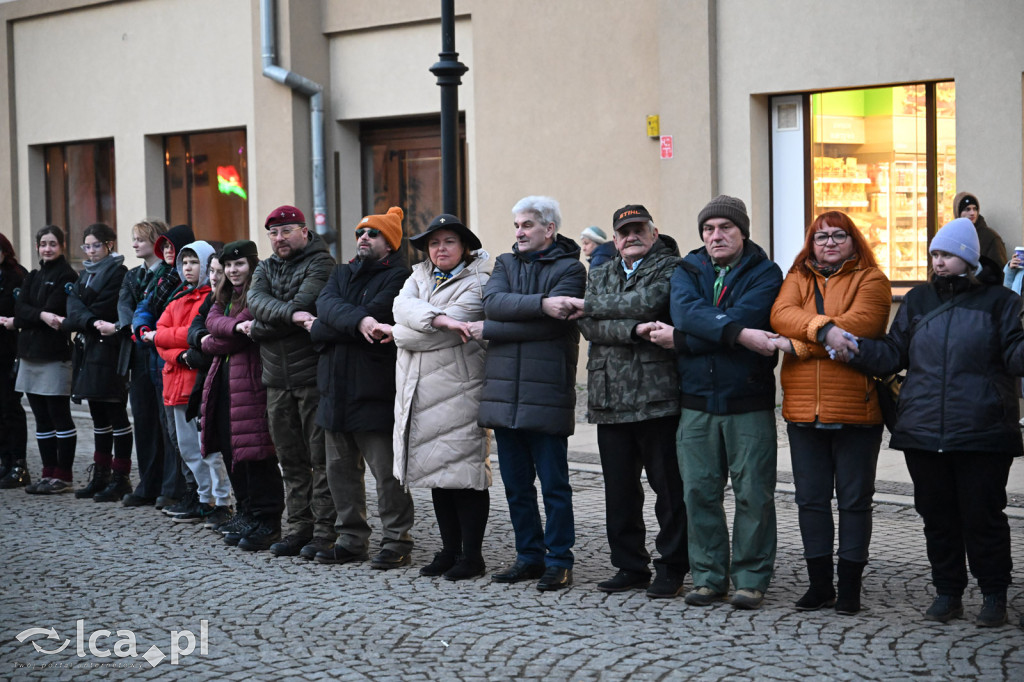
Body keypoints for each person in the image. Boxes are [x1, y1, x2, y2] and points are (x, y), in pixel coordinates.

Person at [840, 217, 1024, 628]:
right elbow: (893, 354)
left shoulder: (1001, 302)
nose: (938, 262)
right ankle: (948, 592)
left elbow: (1015, 357)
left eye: (948, 255)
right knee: (937, 517)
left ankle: (994, 594)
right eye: (935, 255)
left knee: (983, 518)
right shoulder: (919, 301)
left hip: (982, 431)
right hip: (923, 431)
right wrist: (853, 348)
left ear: (969, 259)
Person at [641, 195, 783, 610]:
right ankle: (706, 577)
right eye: (708, 229)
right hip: (697, 403)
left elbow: (751, 314)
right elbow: (686, 313)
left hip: (748, 402)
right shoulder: (687, 268)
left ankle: (751, 579)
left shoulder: (766, 273)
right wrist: (739, 335)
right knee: (699, 493)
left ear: (743, 232)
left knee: (753, 495)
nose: (716, 236)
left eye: (725, 228)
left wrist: (683, 340)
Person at [769, 211, 891, 615]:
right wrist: (824, 331)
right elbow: (780, 316)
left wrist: (800, 343)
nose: (830, 243)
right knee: (811, 501)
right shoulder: (797, 277)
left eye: (839, 236)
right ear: (811, 242)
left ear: (854, 241)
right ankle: (820, 585)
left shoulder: (872, 279)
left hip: (857, 409)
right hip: (803, 410)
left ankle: (851, 589)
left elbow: (864, 328)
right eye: (821, 237)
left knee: (855, 501)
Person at [573, 205, 689, 598]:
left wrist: (593, 308)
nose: (630, 237)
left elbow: (649, 303)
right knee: (619, 490)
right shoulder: (601, 271)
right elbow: (588, 326)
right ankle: (629, 565)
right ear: (615, 239)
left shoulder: (671, 267)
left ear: (654, 234)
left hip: (658, 396)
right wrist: (635, 329)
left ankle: (672, 566)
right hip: (609, 397)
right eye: (623, 232)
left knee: (668, 490)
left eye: (638, 230)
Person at [476, 195, 586, 591]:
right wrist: (542, 303)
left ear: (549, 229)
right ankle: (528, 556)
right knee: (517, 485)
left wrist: (494, 329)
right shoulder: (505, 264)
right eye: (517, 226)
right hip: (505, 395)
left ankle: (559, 559)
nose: (518, 232)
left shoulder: (572, 269)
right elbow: (493, 303)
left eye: (527, 225)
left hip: (547, 392)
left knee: (555, 485)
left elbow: (554, 328)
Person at [388, 213, 492, 580]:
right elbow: (399, 307)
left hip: (460, 390)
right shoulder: (418, 275)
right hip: (420, 390)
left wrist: (402, 332)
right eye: (434, 243)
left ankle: (472, 556)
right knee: (437, 472)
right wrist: (439, 318)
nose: (440, 248)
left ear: (464, 247)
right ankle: (449, 550)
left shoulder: (479, 281)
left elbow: (436, 334)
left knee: (464, 473)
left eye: (449, 241)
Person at [310, 207, 415, 569]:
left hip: (374, 392)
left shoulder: (400, 277)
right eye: (360, 233)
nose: (363, 239)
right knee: (340, 474)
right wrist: (361, 321)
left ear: (390, 243)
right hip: (334, 392)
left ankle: (397, 539)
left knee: (387, 476)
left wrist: (340, 322)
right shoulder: (341, 272)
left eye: (373, 234)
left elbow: (373, 314)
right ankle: (351, 539)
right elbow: (322, 308)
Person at [248, 205, 336, 559]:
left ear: (303, 231)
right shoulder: (265, 268)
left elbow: (306, 302)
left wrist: (262, 326)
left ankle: (326, 531)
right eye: (273, 233)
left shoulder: (321, 263)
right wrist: (288, 316)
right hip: (276, 381)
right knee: (291, 460)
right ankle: (299, 527)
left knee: (321, 459)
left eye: (286, 231)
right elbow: (255, 303)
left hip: (311, 378)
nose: (279, 239)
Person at [200, 240, 285, 551]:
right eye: (228, 266)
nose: (233, 271)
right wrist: (228, 332)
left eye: (239, 265)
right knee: (232, 449)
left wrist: (218, 337)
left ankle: (268, 520)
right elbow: (211, 325)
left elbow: (222, 338)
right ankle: (248, 511)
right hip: (224, 384)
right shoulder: (224, 296)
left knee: (258, 453)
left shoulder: (258, 293)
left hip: (251, 385)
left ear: (252, 264)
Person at [146, 240, 234, 522]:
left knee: (208, 450)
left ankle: (222, 501)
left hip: (197, 385)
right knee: (187, 449)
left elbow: (187, 333)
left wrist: (175, 342)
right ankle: (203, 498)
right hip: (173, 383)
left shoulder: (211, 299)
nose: (188, 268)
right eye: (184, 263)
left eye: (195, 262)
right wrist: (181, 353)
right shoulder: (177, 298)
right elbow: (159, 337)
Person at [63, 224, 133, 502]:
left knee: (116, 414)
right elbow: (72, 307)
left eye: (96, 245)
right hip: (88, 349)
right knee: (97, 416)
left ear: (109, 245)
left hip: (110, 350)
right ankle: (101, 474)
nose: (91, 252)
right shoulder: (84, 275)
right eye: (87, 246)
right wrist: (85, 318)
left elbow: (103, 307)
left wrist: (82, 315)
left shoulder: (119, 273)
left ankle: (121, 477)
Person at [8, 226, 78, 493]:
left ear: (61, 245)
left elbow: (55, 309)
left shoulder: (67, 275)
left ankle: (64, 474)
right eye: (43, 244)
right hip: (29, 354)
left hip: (53, 355)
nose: (47, 248)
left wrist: (31, 316)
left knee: (59, 415)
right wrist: (39, 317)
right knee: (40, 418)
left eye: (52, 244)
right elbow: (21, 309)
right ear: (37, 247)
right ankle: (48, 472)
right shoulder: (34, 275)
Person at [131, 223, 196, 511]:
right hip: (157, 359)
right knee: (165, 427)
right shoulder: (162, 277)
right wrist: (143, 327)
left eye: (173, 247)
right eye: (165, 247)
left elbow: (183, 329)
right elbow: (144, 307)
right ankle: (168, 488)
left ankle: (182, 491)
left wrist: (156, 334)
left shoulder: (186, 281)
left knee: (182, 434)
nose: (170, 252)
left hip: (176, 362)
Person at [117, 219, 171, 507]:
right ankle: (148, 482)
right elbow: (125, 304)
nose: (135, 244)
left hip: (161, 348)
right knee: (144, 419)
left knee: (167, 422)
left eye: (140, 239)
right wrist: (133, 328)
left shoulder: (169, 272)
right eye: (134, 238)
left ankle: (169, 484)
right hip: (138, 350)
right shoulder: (133, 275)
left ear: (157, 241)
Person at [0, 233, 28, 486]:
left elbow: (20, 310)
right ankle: (4, 460)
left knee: (10, 407)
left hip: (10, 351)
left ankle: (18, 463)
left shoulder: (17, 275)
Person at [953, 192, 1006, 268]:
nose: (972, 213)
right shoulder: (952, 236)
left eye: (975, 209)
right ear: (958, 212)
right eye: (967, 209)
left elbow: (999, 270)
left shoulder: (990, 237)